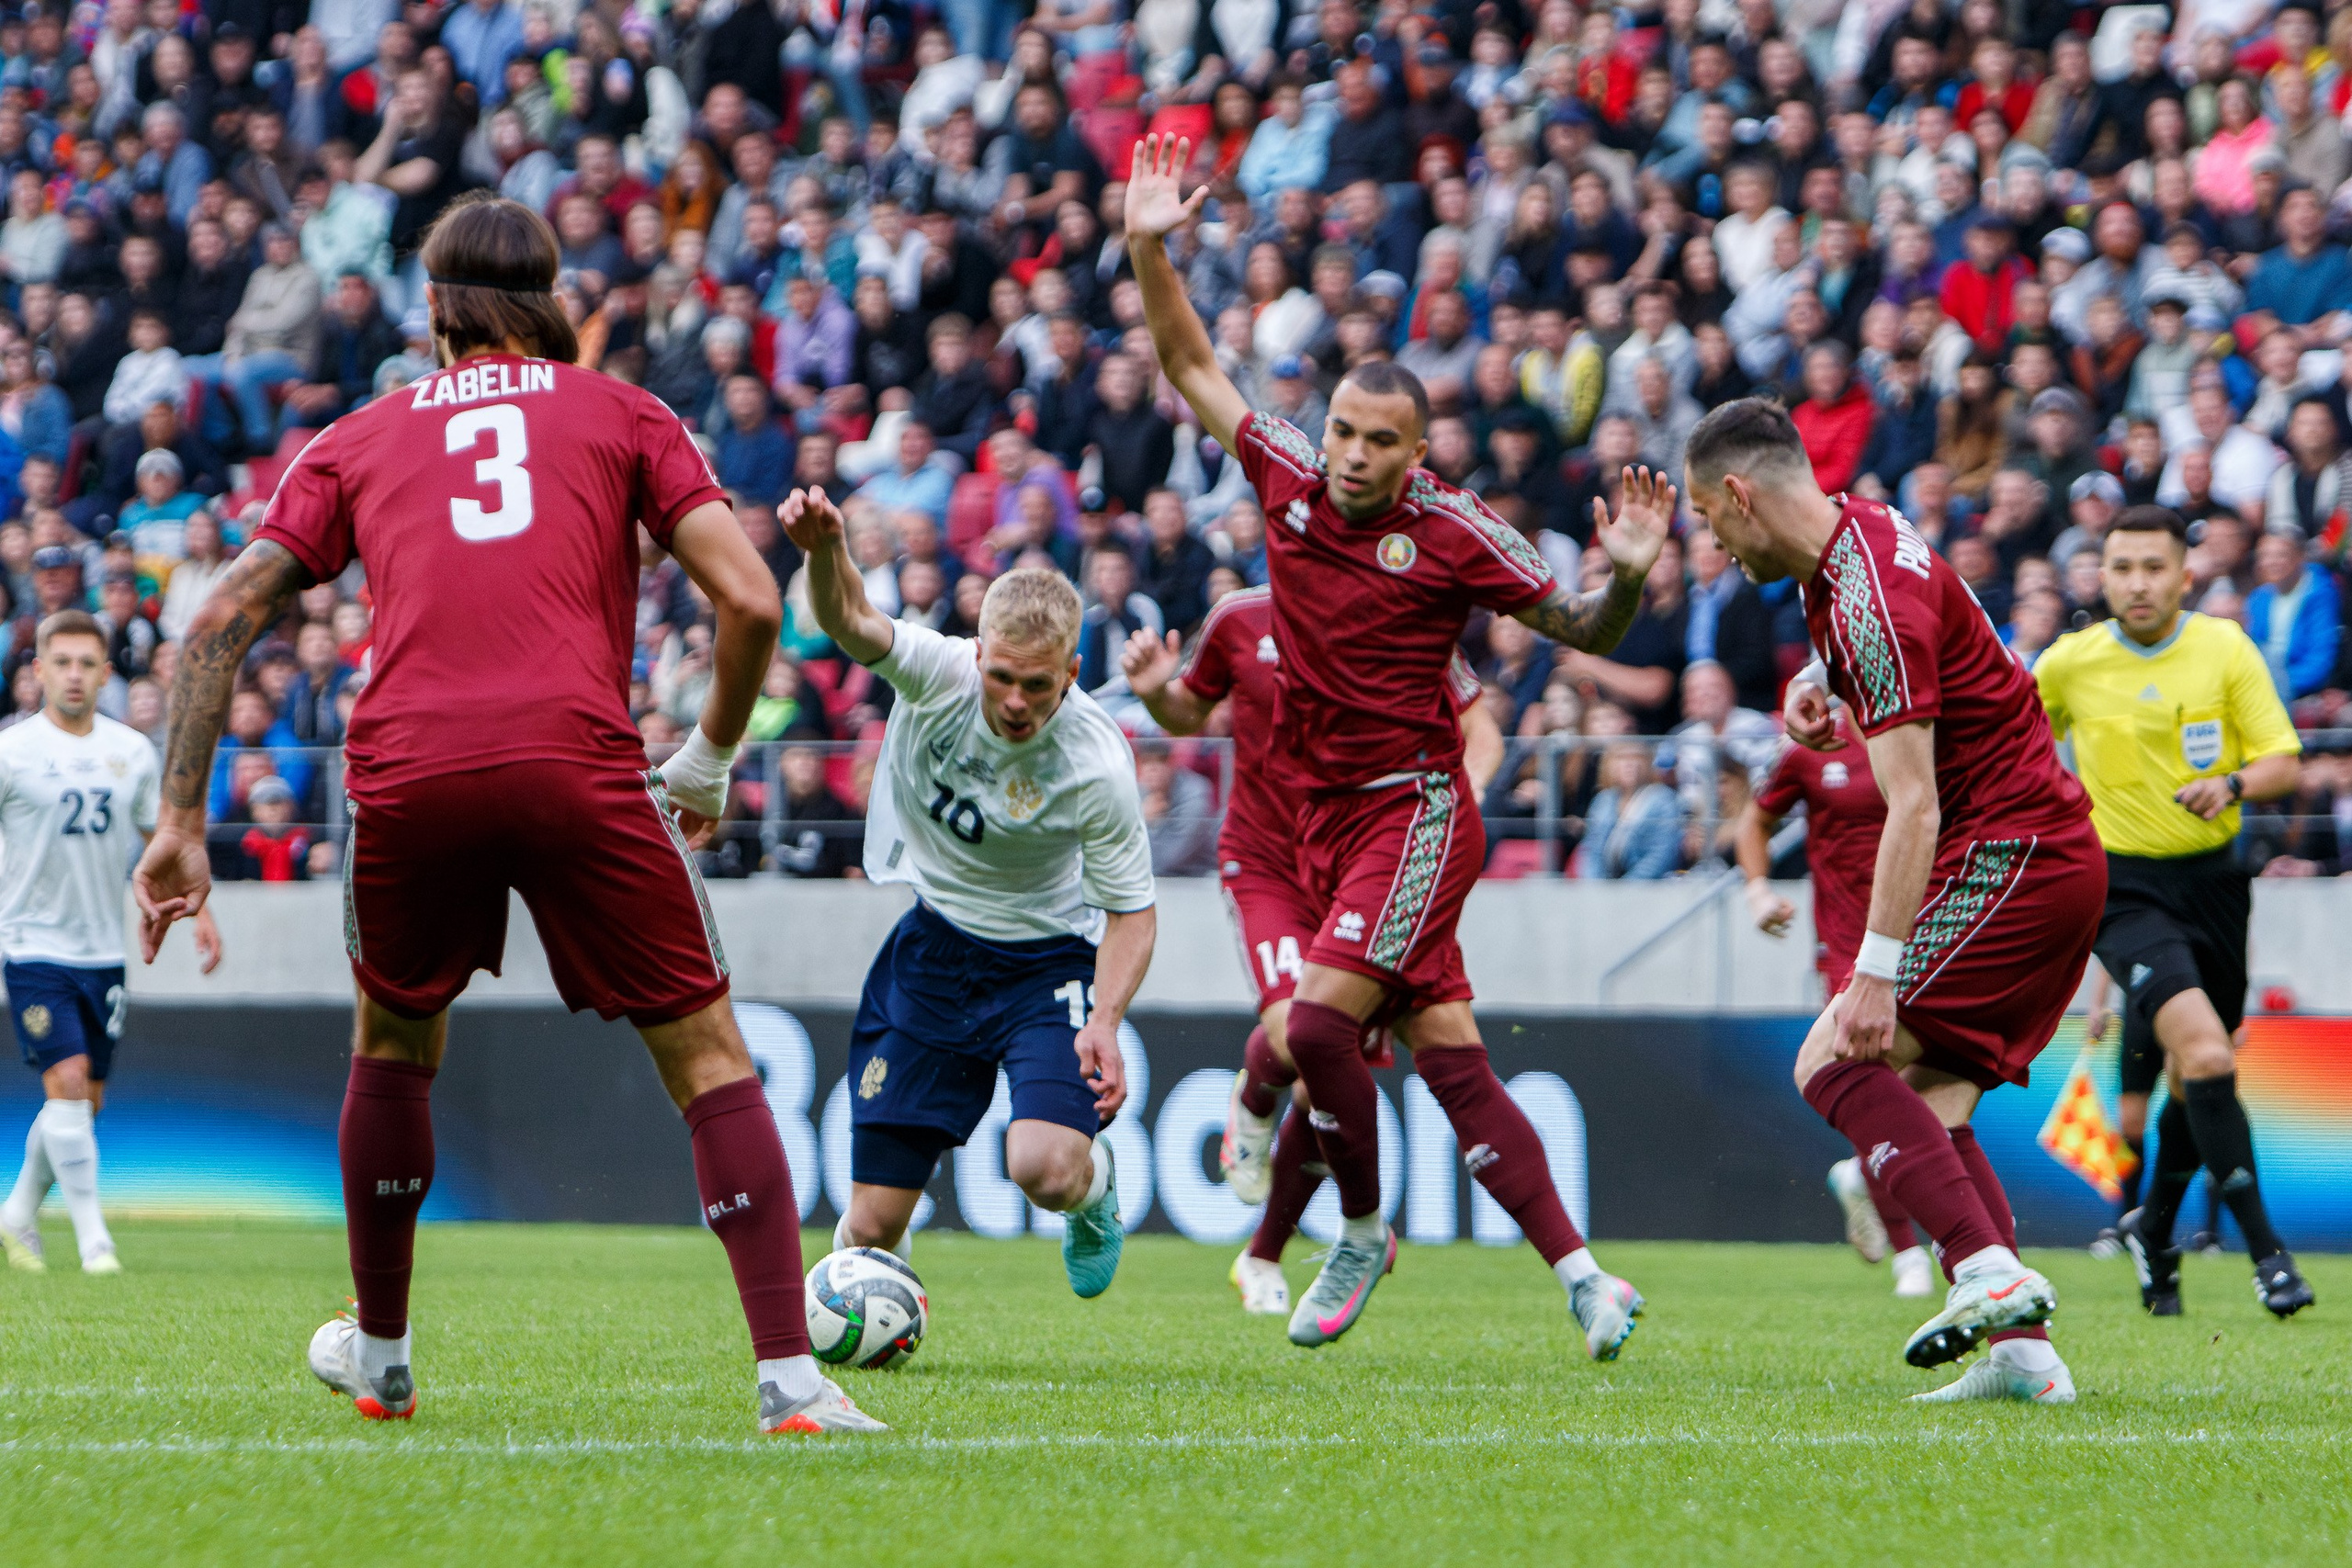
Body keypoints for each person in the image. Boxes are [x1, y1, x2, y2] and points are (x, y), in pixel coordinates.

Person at [128, 194, 880, 1438]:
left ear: (431, 312)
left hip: (409, 767)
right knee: (707, 1056)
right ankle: (791, 1382)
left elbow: (214, 621)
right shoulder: (627, 412)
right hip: (577, 759)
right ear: (554, 298)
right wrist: (707, 756)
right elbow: (751, 600)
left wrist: (179, 818)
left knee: (394, 1041)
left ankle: (379, 1355)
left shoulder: (357, 435)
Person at [1127, 135, 1652, 1357]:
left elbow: (1577, 624)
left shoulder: (1456, 529)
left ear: (1419, 454)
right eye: (1346, 432)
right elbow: (1189, 359)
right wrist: (1151, 242)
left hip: (1411, 810)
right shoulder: (1289, 483)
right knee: (1453, 1058)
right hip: (1310, 820)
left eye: (1380, 442)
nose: (1354, 456)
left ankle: (1356, 1228)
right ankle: (1585, 1275)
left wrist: (1623, 578)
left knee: (1312, 1029)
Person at [1684, 396, 2105, 1405]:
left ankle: (1984, 1273)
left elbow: (1909, 807)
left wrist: (1872, 976)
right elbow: (1922, 643)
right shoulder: (1862, 533)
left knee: (1830, 1058)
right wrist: (1822, 687)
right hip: (2043, 852)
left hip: (2013, 854)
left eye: (1706, 519)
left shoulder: (1861, 598)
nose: (1709, 542)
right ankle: (2024, 1358)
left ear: (1741, 496)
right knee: (1936, 1105)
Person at [780, 488, 1154, 1310]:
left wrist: (1106, 1021)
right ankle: (877, 1290)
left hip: (1043, 963)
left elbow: (1132, 909)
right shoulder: (938, 671)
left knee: (1044, 1170)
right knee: (871, 1225)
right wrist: (823, 549)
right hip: (934, 949)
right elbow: (850, 622)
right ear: (978, 651)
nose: (1016, 701)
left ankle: (1096, 1194)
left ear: (1073, 673)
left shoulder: (1097, 762)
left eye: (1038, 684)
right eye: (1003, 677)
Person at [1120, 586, 1500, 1315]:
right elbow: (1186, 712)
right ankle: (1253, 1096)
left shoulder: (1400, 612)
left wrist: (1460, 797)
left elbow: (1481, 732)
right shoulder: (1237, 617)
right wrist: (1155, 691)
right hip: (1266, 862)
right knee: (1295, 1034)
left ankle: (1261, 1252)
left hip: (1367, 867)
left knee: (1324, 1079)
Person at [2033, 506, 2312, 1319]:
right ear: (2101, 575)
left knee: (2202, 1076)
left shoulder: (2224, 646)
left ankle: (2154, 1232)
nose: (2137, 583)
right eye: (2121, 568)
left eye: (2153, 567)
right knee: (2206, 1052)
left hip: (2217, 884)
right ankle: (2270, 1254)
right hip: (2123, 888)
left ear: (2185, 575)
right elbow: (2003, 744)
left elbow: (2283, 762)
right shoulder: (2069, 664)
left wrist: (2229, 784)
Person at [0, 611, 223, 1277]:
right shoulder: (12, 752)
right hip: (32, 944)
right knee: (66, 1085)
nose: (74, 674)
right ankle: (97, 1245)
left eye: (86, 663)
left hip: (105, 951)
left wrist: (203, 912)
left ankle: (14, 1215)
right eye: (61, 661)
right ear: (37, 670)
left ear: (105, 673)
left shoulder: (132, 751)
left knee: (82, 1102)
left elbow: (160, 844)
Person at [1736, 699, 1935, 1300]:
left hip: (1929, 930)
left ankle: (1861, 1172)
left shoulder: (1918, 727)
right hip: (1849, 945)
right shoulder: (1808, 741)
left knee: (1926, 1085)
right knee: (1869, 1076)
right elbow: (1754, 823)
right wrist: (1758, 891)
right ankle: (1910, 1256)